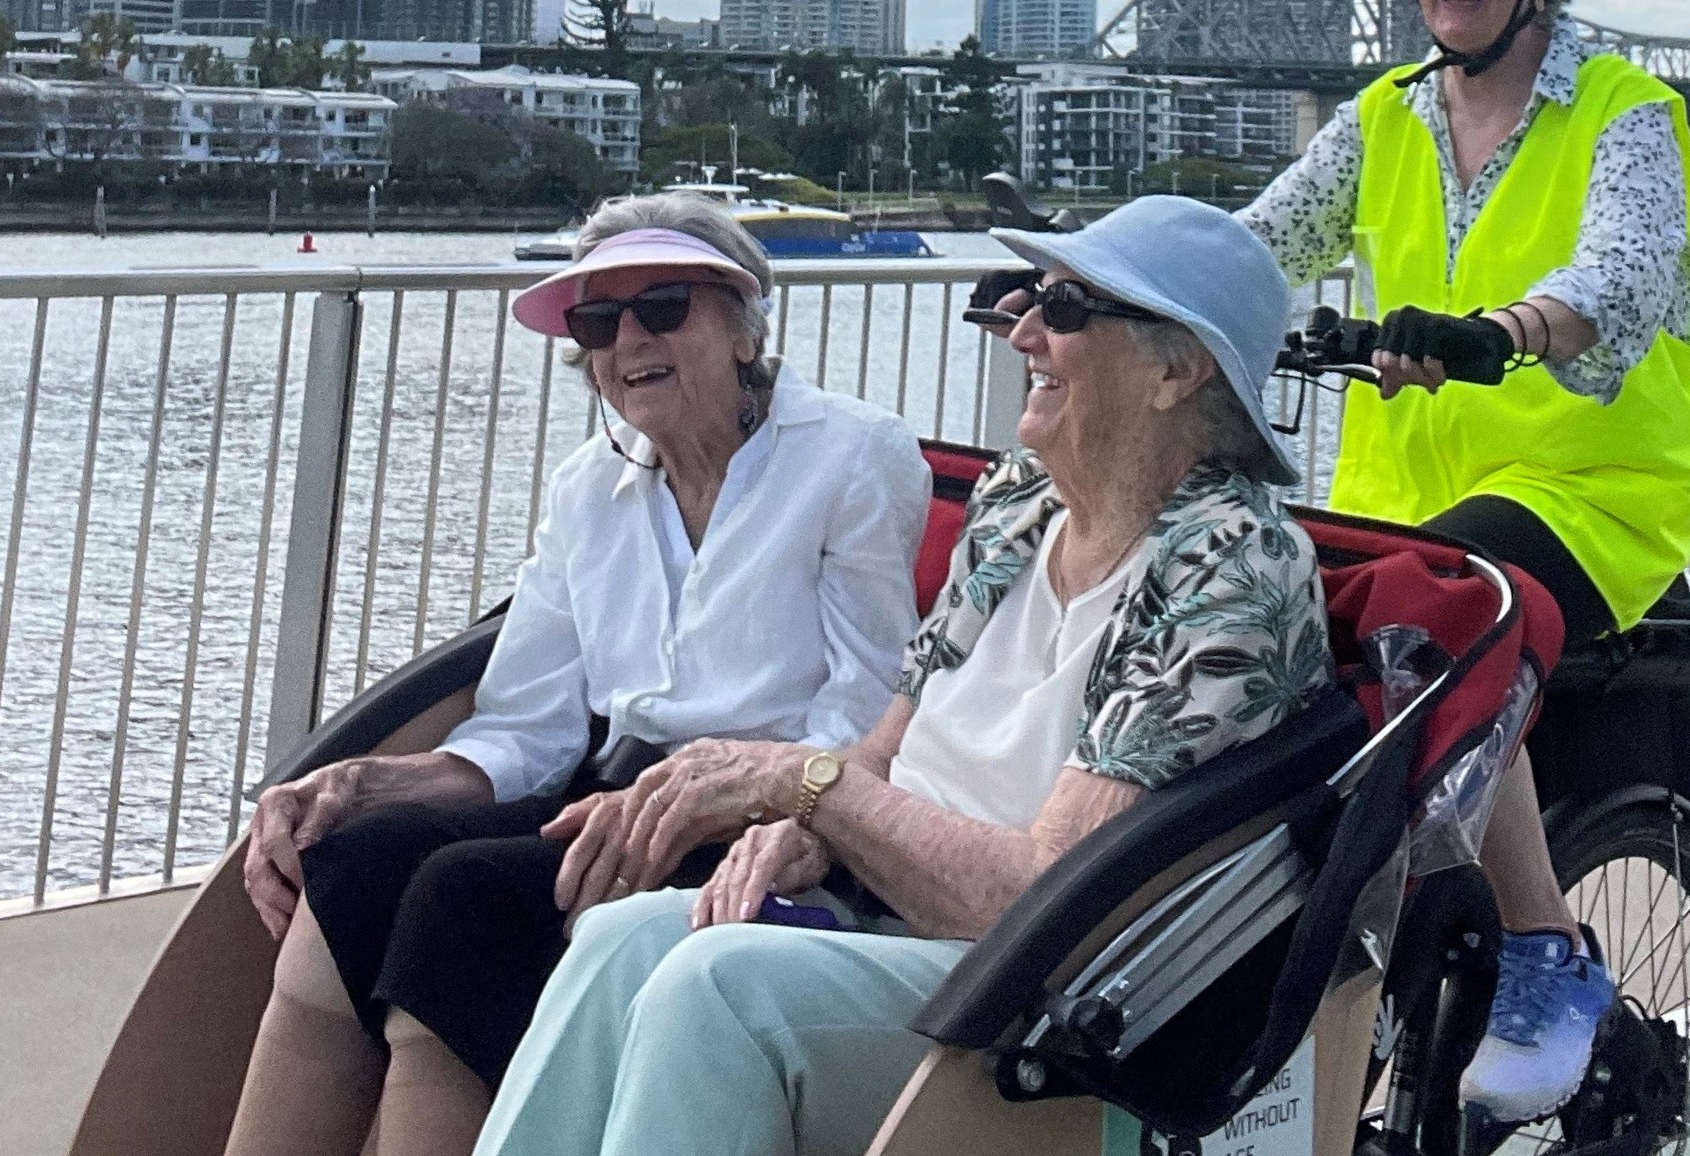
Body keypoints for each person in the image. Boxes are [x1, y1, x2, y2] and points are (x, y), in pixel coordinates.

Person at [472, 196, 1332, 1156]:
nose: (1026, 330)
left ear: (1178, 369)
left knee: (715, 985)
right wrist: (802, 834)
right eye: (1024, 299)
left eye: (1070, 308)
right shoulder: (1019, 505)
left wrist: (805, 787)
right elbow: (883, 752)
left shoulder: (1233, 564)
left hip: (1045, 1010)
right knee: (619, 939)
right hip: (907, 934)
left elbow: (1046, 896)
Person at [223, 194, 932, 1156]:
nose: (629, 338)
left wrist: (715, 799)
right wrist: (365, 782)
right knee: (347, 867)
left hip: (777, 821)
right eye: (600, 321)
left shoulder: (853, 456)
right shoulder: (585, 489)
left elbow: (863, 717)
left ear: (741, 319)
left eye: (664, 305)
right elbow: (528, 728)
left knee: (459, 900)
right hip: (612, 796)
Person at [1239, 0, 1690, 1127]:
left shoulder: (1623, 111)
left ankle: (1542, 950)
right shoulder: (1381, 119)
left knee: (1437, 599)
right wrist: (1094, 282)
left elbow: (1621, 272)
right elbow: (1255, 241)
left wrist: (1499, 330)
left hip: (1590, 492)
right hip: (1404, 507)